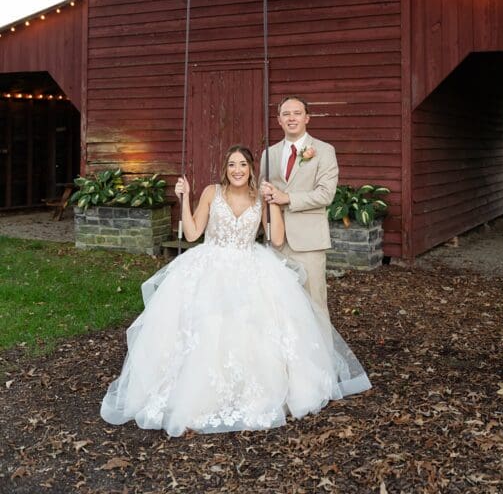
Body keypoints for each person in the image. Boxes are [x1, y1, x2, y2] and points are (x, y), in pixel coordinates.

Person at [100, 145, 370, 437]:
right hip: (210, 265)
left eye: (242, 164)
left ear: (252, 168)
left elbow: (277, 239)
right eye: (232, 165)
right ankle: (199, 393)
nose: (237, 170)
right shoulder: (211, 192)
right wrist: (184, 198)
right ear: (225, 169)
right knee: (208, 326)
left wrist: (274, 203)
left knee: (253, 328)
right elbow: (192, 234)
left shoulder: (260, 197)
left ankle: (252, 391)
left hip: (250, 264)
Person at [260, 96, 337, 320]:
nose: (291, 118)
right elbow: (261, 193)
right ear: (279, 120)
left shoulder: (324, 150)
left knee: (315, 305)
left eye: (297, 113)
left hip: (309, 243)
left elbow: (326, 194)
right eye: (286, 114)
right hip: (276, 241)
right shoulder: (269, 153)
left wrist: (287, 198)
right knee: (280, 306)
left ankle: (322, 355)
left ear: (307, 118)